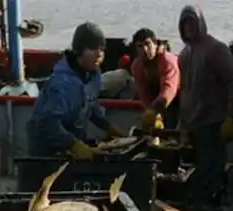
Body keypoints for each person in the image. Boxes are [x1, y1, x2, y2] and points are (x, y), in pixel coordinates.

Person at [26, 22, 127, 159]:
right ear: (79, 51)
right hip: (47, 152)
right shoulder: (61, 84)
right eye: (92, 49)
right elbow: (48, 123)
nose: (99, 54)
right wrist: (74, 145)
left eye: (102, 49)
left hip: (73, 146)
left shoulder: (93, 75)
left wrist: (110, 129)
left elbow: (90, 106)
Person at [177, 5, 233, 205]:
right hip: (193, 123)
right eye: (185, 23)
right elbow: (185, 91)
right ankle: (203, 207)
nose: (189, 27)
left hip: (214, 122)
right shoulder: (184, 54)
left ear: (200, 23)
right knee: (198, 169)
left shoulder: (216, 49)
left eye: (192, 22)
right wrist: (183, 124)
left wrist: (231, 116)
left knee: (212, 169)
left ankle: (212, 207)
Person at [130, 28, 180, 132]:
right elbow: (143, 93)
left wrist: (154, 110)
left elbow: (169, 89)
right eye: (140, 46)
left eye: (147, 44)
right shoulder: (136, 66)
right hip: (156, 101)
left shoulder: (168, 61)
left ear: (156, 44)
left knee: (171, 128)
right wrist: (149, 110)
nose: (144, 49)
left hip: (179, 97)